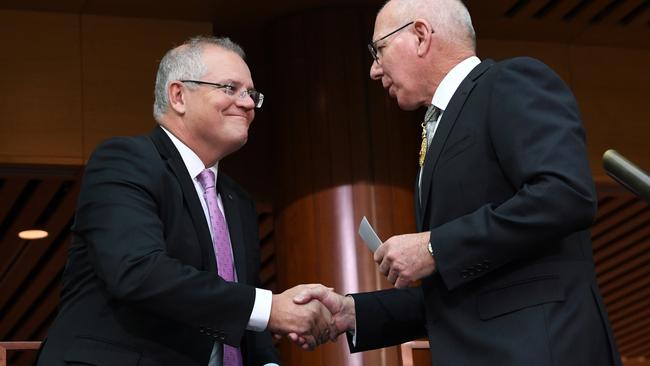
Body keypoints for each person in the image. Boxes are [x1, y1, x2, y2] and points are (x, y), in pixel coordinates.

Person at [294, 0, 622, 364]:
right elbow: (464, 291)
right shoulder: (438, 129)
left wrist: (435, 247)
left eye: (378, 50)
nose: (373, 70)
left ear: (420, 35)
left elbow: (565, 195)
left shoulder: (510, 82)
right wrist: (353, 313)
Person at [35, 36, 333, 366]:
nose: (248, 103)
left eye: (251, 94)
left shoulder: (238, 200)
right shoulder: (124, 160)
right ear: (178, 96)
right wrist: (270, 308)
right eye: (230, 88)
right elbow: (138, 271)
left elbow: (242, 309)